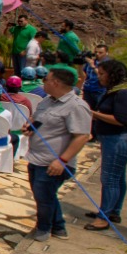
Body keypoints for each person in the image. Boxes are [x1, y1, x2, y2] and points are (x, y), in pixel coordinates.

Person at [24, 65, 92, 241]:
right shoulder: (47, 100)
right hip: (36, 157)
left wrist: (62, 160)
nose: (43, 83)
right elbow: (38, 119)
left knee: (44, 197)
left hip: (53, 162)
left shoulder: (76, 106)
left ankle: (43, 228)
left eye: (45, 79)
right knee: (44, 195)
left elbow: (82, 136)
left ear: (55, 82)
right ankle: (58, 227)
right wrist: (30, 126)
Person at [86, 59, 127, 230]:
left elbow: (120, 119)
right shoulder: (113, 91)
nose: (99, 77)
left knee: (109, 179)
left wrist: (94, 114)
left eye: (102, 74)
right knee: (118, 177)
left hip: (118, 140)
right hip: (111, 139)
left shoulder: (124, 93)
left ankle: (104, 217)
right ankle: (113, 210)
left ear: (112, 74)